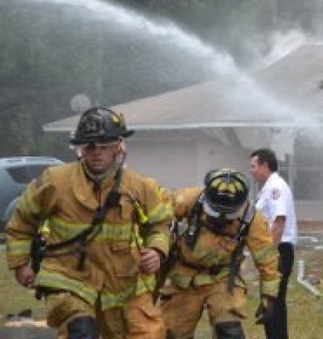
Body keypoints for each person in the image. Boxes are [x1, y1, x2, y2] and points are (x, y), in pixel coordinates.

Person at [5, 106, 173, 338]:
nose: (97, 152)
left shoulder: (138, 187)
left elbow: (159, 224)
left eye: (105, 145)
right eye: (90, 145)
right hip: (68, 278)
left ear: (118, 146)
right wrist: (21, 263)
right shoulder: (55, 181)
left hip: (123, 283)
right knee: (81, 330)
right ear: (81, 147)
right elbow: (22, 221)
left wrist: (156, 250)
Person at [159, 168, 280, 339]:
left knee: (229, 330)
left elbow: (267, 257)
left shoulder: (252, 217)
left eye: (228, 214)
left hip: (223, 279)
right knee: (173, 333)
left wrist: (269, 295)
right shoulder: (188, 199)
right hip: (184, 279)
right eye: (216, 211)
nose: (222, 218)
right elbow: (158, 219)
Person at [249, 148, 297, 339]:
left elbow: (278, 222)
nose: (251, 170)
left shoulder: (276, 188)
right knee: (269, 302)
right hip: (274, 251)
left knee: (274, 303)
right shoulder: (268, 187)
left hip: (279, 251)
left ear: (265, 166)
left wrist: (269, 254)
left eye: (253, 166)